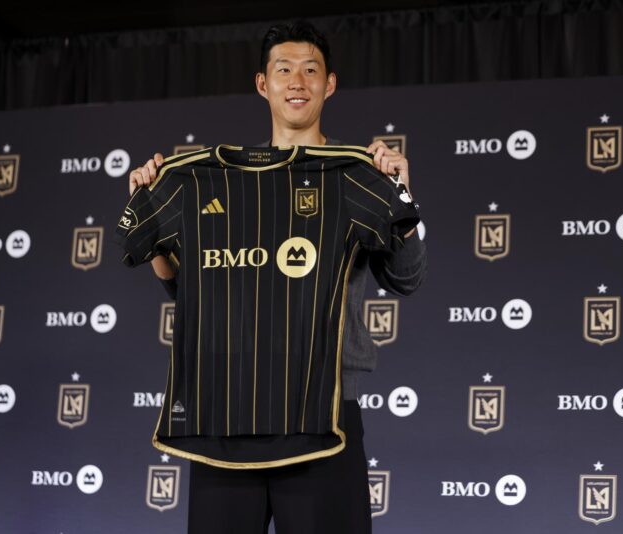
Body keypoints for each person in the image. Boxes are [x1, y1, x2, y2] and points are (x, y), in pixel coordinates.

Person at [127, 20, 426, 534]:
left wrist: (401, 194)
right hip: (226, 405)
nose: (297, 81)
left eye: (310, 70)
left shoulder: (358, 174)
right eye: (283, 69)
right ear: (262, 84)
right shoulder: (210, 182)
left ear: (328, 84)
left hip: (325, 406)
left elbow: (406, 278)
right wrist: (151, 211)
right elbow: (184, 286)